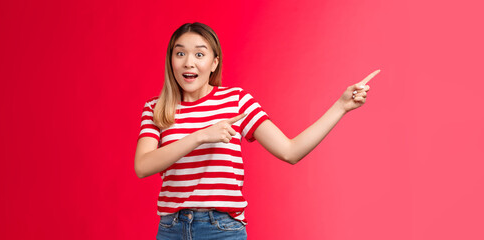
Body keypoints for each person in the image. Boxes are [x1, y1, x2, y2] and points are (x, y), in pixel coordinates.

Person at [134, 22, 380, 240]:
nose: (189, 62)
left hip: (221, 230)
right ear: (171, 60)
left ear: (214, 63)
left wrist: (341, 107)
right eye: (180, 53)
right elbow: (143, 166)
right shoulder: (156, 109)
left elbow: (290, 151)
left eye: (200, 54)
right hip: (171, 229)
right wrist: (201, 136)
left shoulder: (236, 101)